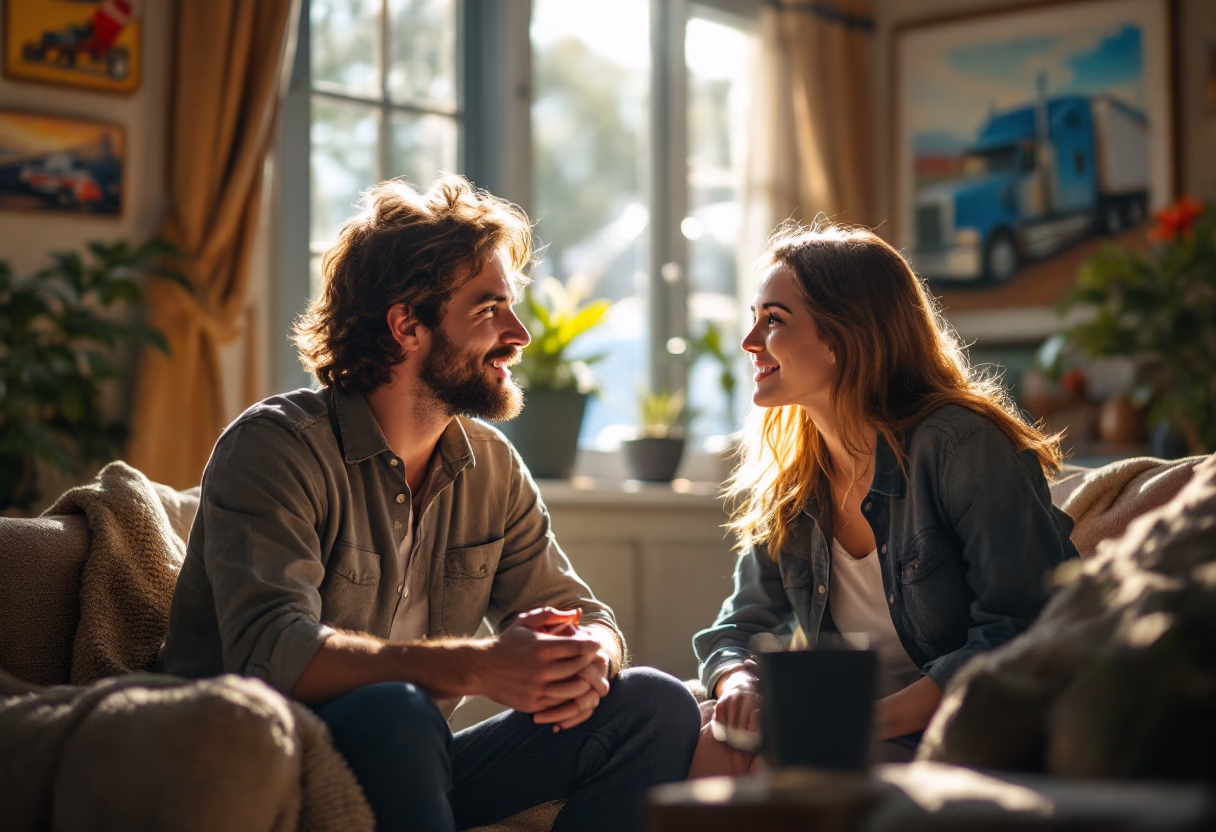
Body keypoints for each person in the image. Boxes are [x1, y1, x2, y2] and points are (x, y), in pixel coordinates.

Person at [160, 174, 701, 831]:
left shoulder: (492, 467)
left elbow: (586, 613)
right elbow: (274, 654)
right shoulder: (275, 448)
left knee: (655, 703)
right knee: (398, 707)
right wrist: (480, 666)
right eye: (489, 308)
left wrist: (588, 653)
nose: (520, 333)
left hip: (414, 760)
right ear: (406, 326)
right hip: (265, 759)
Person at [690, 222, 1079, 774]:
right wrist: (740, 681)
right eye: (754, 319)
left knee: (797, 766)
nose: (751, 342)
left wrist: (860, 721)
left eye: (773, 320)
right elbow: (742, 624)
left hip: (975, 728)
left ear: (844, 335)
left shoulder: (960, 445)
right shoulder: (794, 475)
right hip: (862, 726)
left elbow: (1021, 629)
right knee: (718, 735)